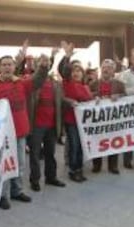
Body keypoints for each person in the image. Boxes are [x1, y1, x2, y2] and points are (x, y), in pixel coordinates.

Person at [0, 54, 50, 209]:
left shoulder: (21, 83)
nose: (7, 67)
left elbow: (37, 81)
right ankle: (3, 195)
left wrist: (44, 67)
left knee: (19, 163)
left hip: (20, 131)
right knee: (5, 165)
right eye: (4, 64)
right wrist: (2, 103)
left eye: (10, 64)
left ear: (14, 67)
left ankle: (17, 191)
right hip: (2, 134)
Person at [58, 41, 93, 182]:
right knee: (74, 145)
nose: (76, 73)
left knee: (81, 146)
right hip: (72, 121)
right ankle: (73, 170)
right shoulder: (67, 83)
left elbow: (89, 100)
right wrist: (67, 56)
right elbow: (63, 70)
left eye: (79, 71)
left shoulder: (85, 86)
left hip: (84, 122)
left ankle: (79, 168)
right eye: (74, 71)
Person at [28, 70, 66, 191]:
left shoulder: (56, 84)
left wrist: (73, 103)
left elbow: (62, 101)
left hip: (52, 125)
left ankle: (51, 177)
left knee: (50, 153)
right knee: (35, 154)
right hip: (36, 125)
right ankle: (35, 180)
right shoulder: (32, 84)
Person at [90, 59, 126, 174]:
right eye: (104, 67)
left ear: (113, 70)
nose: (106, 69)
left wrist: (119, 96)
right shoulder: (93, 84)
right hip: (97, 119)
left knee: (113, 141)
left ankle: (113, 166)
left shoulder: (120, 84)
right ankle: (97, 164)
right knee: (97, 141)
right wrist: (94, 96)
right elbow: (86, 96)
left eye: (109, 67)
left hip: (113, 119)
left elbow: (126, 98)